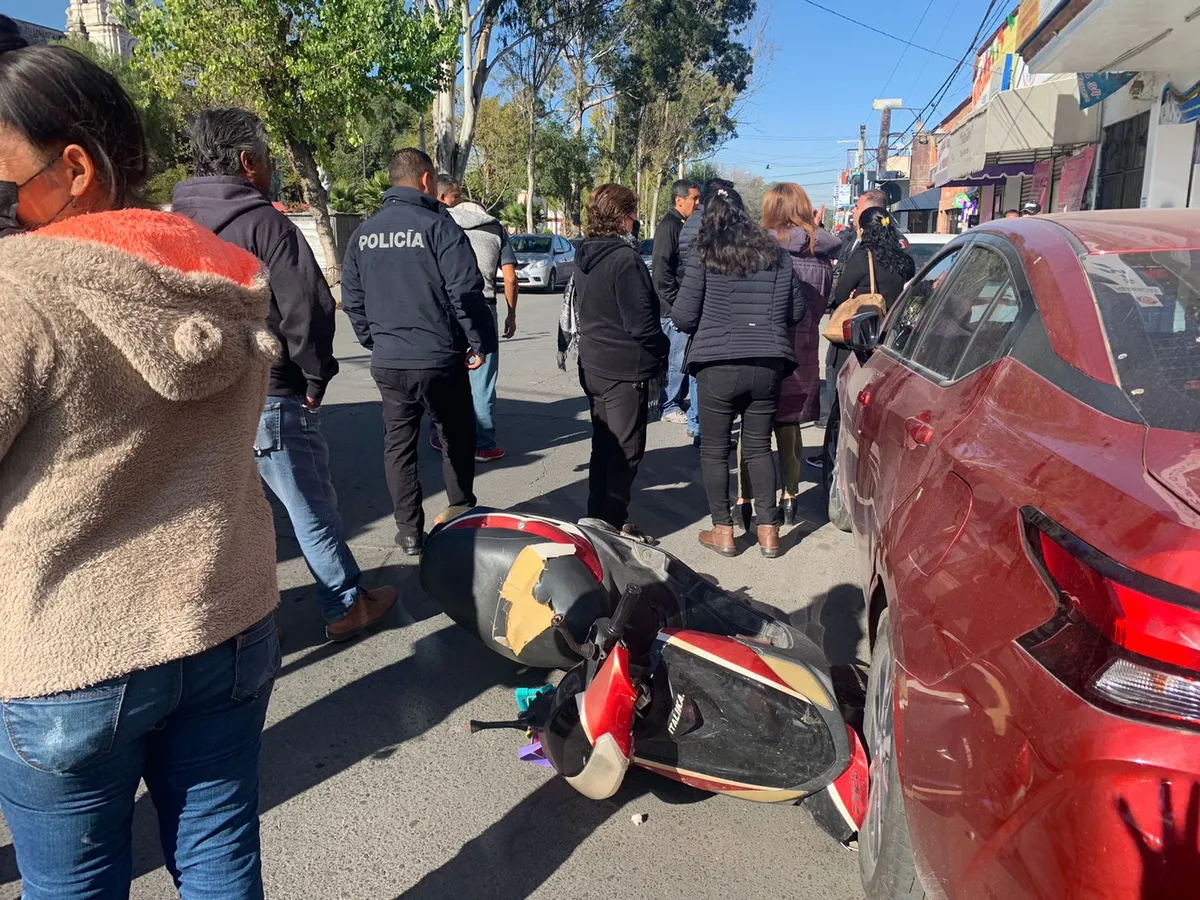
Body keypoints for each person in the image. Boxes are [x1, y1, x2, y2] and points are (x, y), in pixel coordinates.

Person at [0, 35, 279, 898]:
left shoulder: (22, 288)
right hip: (227, 619)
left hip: (69, 654)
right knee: (221, 857)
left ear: (73, 167)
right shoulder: (228, 272)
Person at [173, 107, 397, 642]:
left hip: (196, 399)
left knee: (218, 516)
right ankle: (344, 603)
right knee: (309, 506)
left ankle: (220, 623)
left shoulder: (173, 227)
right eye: (268, 158)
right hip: (269, 393)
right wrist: (315, 378)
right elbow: (310, 309)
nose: (272, 168)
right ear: (248, 162)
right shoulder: (266, 224)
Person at [341, 149, 498, 556]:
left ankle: (409, 531)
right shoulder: (439, 228)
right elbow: (465, 292)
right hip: (439, 358)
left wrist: (372, 341)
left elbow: (352, 299)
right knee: (456, 436)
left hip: (389, 360)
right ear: (426, 180)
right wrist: (478, 343)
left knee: (399, 445)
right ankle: (460, 508)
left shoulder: (364, 233)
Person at [672, 187, 803, 560]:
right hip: (768, 362)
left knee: (715, 451)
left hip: (718, 364)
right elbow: (795, 311)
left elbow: (683, 316)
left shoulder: (705, 254)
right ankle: (768, 532)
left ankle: (724, 531)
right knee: (760, 447)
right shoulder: (777, 255)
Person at [735, 182, 840, 528]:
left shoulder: (759, 252)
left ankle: (744, 499)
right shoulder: (821, 255)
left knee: (753, 427)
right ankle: (790, 496)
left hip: (760, 346)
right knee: (790, 425)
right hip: (803, 351)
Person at [574, 183, 668, 542]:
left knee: (604, 446)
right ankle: (609, 528)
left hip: (594, 363)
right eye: (634, 214)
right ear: (623, 218)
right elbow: (641, 325)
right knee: (625, 452)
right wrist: (663, 349)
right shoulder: (624, 260)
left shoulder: (587, 253)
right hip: (622, 369)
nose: (637, 221)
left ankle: (597, 517)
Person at [807, 206, 915, 469]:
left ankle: (834, 455)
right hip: (887, 335)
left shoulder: (863, 255)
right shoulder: (902, 258)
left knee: (842, 395)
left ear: (864, 230)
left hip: (857, 336)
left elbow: (840, 293)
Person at [433, 175, 519, 462]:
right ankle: (483, 444)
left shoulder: (440, 223)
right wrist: (511, 314)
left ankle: (443, 436)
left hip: (445, 306)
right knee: (482, 379)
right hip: (484, 305)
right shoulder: (496, 229)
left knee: (447, 373)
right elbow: (510, 278)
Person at [677, 177, 735, 442]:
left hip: (694, 304)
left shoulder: (690, 225)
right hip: (716, 314)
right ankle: (704, 426)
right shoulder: (727, 233)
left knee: (697, 368)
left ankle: (698, 423)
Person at [651, 179, 700, 423]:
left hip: (680, 305)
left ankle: (676, 400)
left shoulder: (683, 224)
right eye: (694, 198)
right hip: (671, 308)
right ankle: (668, 405)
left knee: (682, 356)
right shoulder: (669, 226)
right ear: (679, 200)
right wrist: (672, 304)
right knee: (676, 358)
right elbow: (661, 270)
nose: (698, 203)